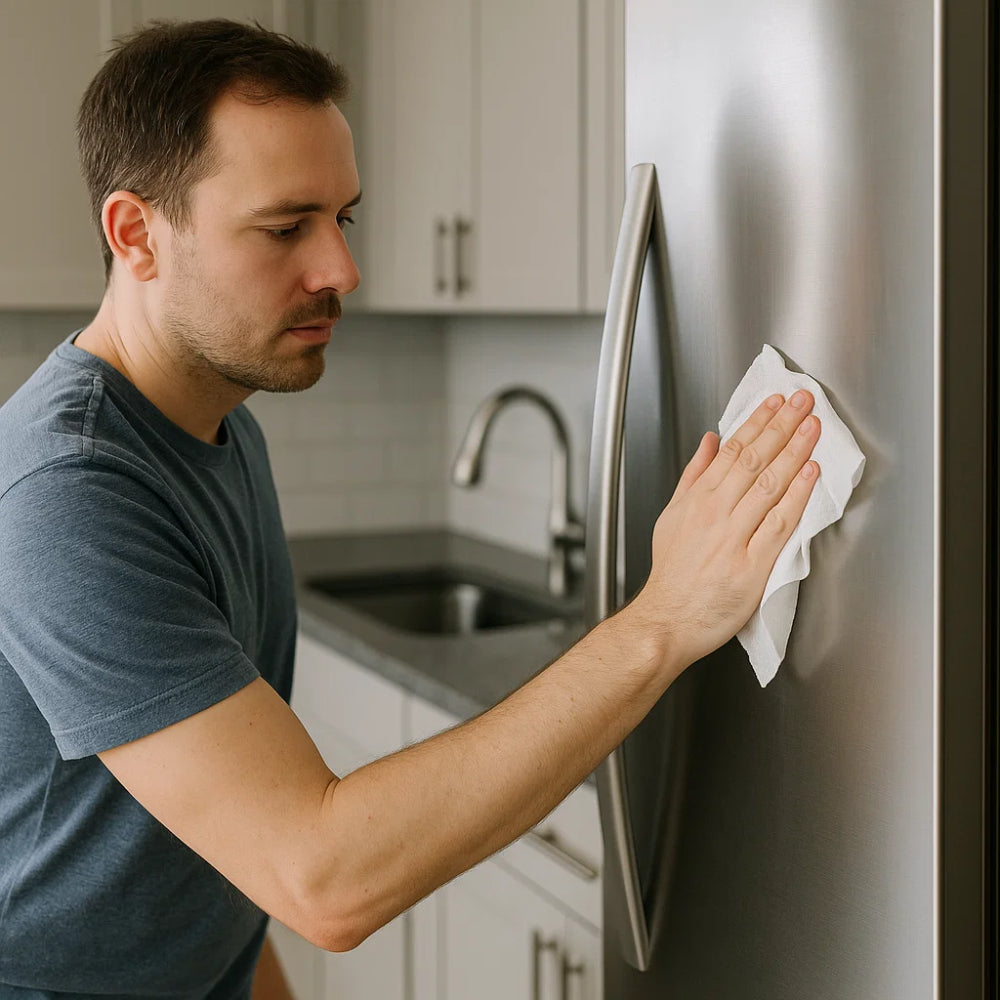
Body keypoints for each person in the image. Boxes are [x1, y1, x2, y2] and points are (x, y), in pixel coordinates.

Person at [0, 18, 821, 1000]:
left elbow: (210, 841)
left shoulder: (220, 426)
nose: (341, 269)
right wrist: (664, 617)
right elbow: (322, 873)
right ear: (135, 233)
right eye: (284, 226)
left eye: (342, 218)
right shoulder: (66, 491)